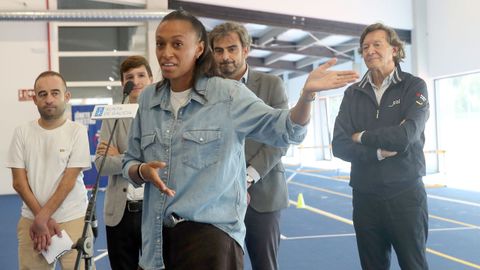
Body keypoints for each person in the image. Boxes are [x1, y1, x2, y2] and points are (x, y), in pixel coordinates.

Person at [122, 10, 358, 270]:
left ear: (199, 48)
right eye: (160, 44)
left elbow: (286, 130)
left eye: (177, 44)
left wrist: (306, 96)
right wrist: (142, 170)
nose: (166, 53)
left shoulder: (228, 94)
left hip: (209, 240)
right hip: (156, 244)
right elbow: (130, 161)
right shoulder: (147, 100)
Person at [332, 23, 429, 270]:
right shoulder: (352, 94)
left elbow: (404, 138)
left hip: (405, 196)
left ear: (395, 50)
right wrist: (376, 152)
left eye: (377, 44)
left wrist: (361, 136)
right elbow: (339, 145)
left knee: (413, 265)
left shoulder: (414, 86)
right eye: (365, 47)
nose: (369, 50)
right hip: (365, 198)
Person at [209, 22, 288, 270]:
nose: (225, 57)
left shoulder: (271, 84)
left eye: (232, 49)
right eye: (219, 51)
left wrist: (248, 176)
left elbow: (282, 137)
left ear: (246, 50)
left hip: (263, 195)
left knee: (265, 265)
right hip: (216, 197)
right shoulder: (206, 87)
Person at [6, 71, 91, 269]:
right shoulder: (22, 133)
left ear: (66, 96)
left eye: (55, 93)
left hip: (72, 218)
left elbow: (68, 182)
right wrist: (41, 219)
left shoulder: (77, 132)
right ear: (34, 99)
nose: (49, 99)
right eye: (42, 94)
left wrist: (43, 218)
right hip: (32, 221)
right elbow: (19, 182)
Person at [94, 56, 153, 270]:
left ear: (151, 78)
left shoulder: (163, 113)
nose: (135, 81)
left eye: (141, 75)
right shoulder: (113, 115)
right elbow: (101, 164)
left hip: (154, 211)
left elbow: (162, 161)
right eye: (129, 77)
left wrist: (119, 156)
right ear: (123, 84)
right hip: (119, 212)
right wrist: (139, 160)